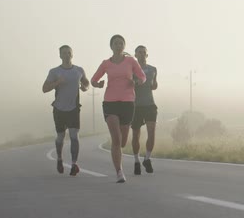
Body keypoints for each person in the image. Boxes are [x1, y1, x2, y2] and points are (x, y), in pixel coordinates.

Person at [91, 35, 146, 183]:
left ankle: (119, 162)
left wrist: (137, 81)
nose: (118, 45)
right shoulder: (106, 63)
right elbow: (93, 80)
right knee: (116, 139)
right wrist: (98, 84)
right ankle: (119, 172)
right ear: (111, 46)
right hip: (110, 103)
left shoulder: (131, 61)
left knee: (122, 142)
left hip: (128, 103)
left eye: (121, 43)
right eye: (116, 43)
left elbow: (142, 76)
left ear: (124, 46)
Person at [42, 45, 89, 176]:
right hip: (59, 109)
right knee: (61, 137)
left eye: (69, 53)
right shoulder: (54, 71)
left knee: (74, 136)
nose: (67, 55)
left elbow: (86, 83)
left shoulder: (79, 70)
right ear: (60, 55)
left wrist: (85, 87)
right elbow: (44, 88)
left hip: (74, 108)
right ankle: (59, 159)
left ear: (72, 55)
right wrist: (57, 82)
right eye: (64, 53)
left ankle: (74, 164)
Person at [131, 45, 158, 175]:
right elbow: (127, 85)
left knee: (151, 131)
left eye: (144, 53)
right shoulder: (131, 69)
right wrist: (134, 82)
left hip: (150, 104)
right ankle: (136, 161)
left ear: (147, 55)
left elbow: (154, 85)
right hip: (135, 106)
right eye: (139, 52)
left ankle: (147, 158)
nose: (142, 54)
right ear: (135, 55)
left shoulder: (153, 69)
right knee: (136, 135)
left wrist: (154, 85)